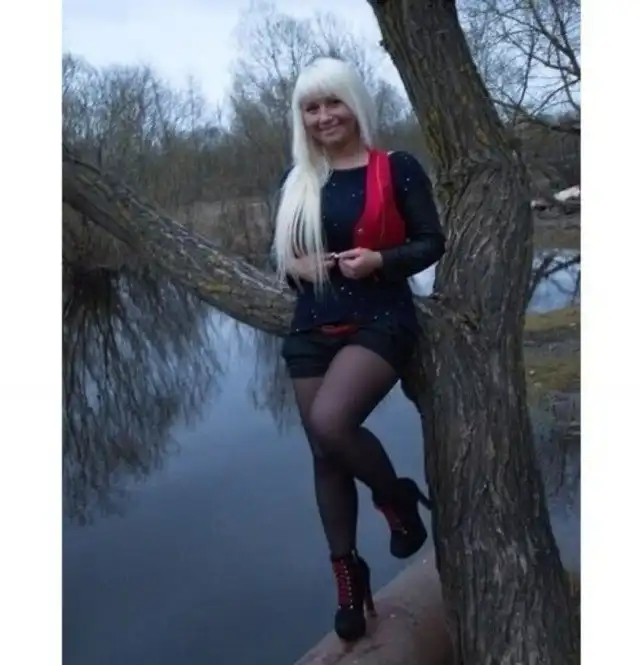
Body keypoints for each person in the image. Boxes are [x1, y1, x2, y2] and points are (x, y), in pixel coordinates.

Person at [269, 57, 446, 642]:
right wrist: (297, 268)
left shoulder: (395, 168)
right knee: (325, 453)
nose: (324, 117)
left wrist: (380, 260)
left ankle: (394, 497)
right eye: (311, 108)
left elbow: (431, 242)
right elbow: (286, 262)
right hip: (312, 325)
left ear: (355, 105)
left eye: (333, 103)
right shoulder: (295, 181)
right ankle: (348, 574)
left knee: (331, 422)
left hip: (380, 318)